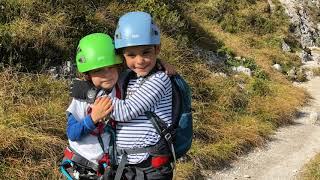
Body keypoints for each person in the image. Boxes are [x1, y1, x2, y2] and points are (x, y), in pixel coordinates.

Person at [108, 11, 174, 180]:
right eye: (131, 55)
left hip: (151, 167)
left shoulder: (159, 79)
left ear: (157, 49)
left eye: (146, 52)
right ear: (122, 55)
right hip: (126, 163)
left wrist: (91, 95)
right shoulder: (127, 76)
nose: (139, 61)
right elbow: (108, 83)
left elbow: (125, 111)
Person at [61, 33, 121, 180]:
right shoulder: (81, 100)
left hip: (106, 165)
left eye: (111, 67)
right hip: (83, 166)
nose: (107, 74)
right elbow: (72, 133)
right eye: (98, 70)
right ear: (88, 75)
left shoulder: (120, 88)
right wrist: (93, 117)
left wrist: (161, 64)